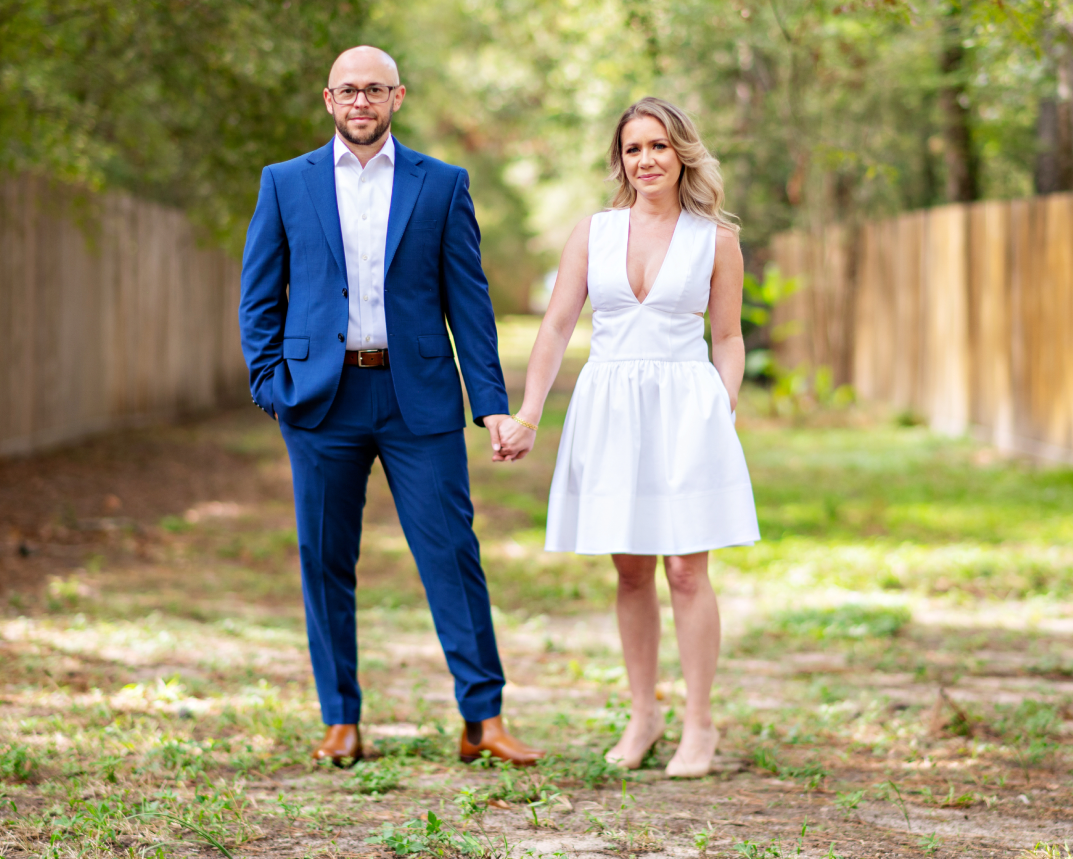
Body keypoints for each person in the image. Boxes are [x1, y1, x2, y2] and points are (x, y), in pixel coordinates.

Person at [238, 45, 543, 768]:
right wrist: (270, 384)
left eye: (374, 90)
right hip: (321, 401)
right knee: (324, 560)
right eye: (348, 91)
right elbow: (259, 295)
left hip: (420, 401)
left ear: (398, 98)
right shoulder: (285, 183)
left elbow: (469, 303)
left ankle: (483, 718)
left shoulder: (441, 185)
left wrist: (490, 405)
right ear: (328, 99)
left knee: (451, 554)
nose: (361, 103)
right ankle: (340, 720)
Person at [496, 97, 759, 779]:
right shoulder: (594, 233)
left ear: (682, 156)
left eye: (659, 147)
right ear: (621, 159)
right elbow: (555, 328)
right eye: (633, 148)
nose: (645, 160)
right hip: (610, 407)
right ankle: (643, 715)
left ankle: (699, 724)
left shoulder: (716, 240)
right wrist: (528, 413)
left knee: (688, 569)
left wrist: (720, 408)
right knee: (632, 569)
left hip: (686, 408)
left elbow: (728, 338)